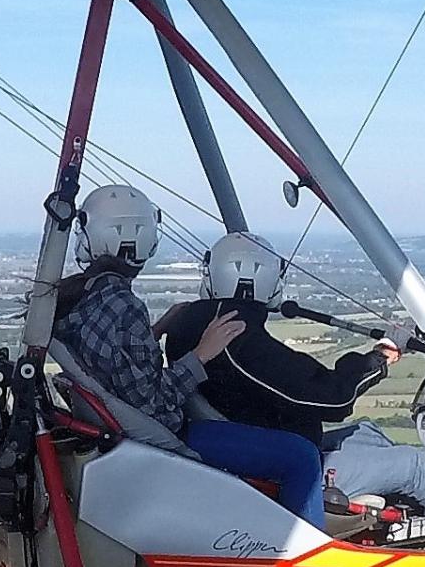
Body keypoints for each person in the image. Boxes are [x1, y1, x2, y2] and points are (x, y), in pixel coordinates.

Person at [160, 233, 425, 544]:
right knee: (412, 465)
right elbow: (328, 396)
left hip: (259, 435)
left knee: (367, 433)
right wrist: (377, 360)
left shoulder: (195, 320)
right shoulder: (237, 335)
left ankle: (423, 515)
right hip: (280, 460)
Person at [52, 185, 328, 526]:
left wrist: (155, 331)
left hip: (130, 429)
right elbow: (152, 402)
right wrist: (202, 353)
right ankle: (306, 557)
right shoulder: (124, 306)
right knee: (301, 456)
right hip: (172, 434)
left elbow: (113, 362)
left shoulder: (85, 297)